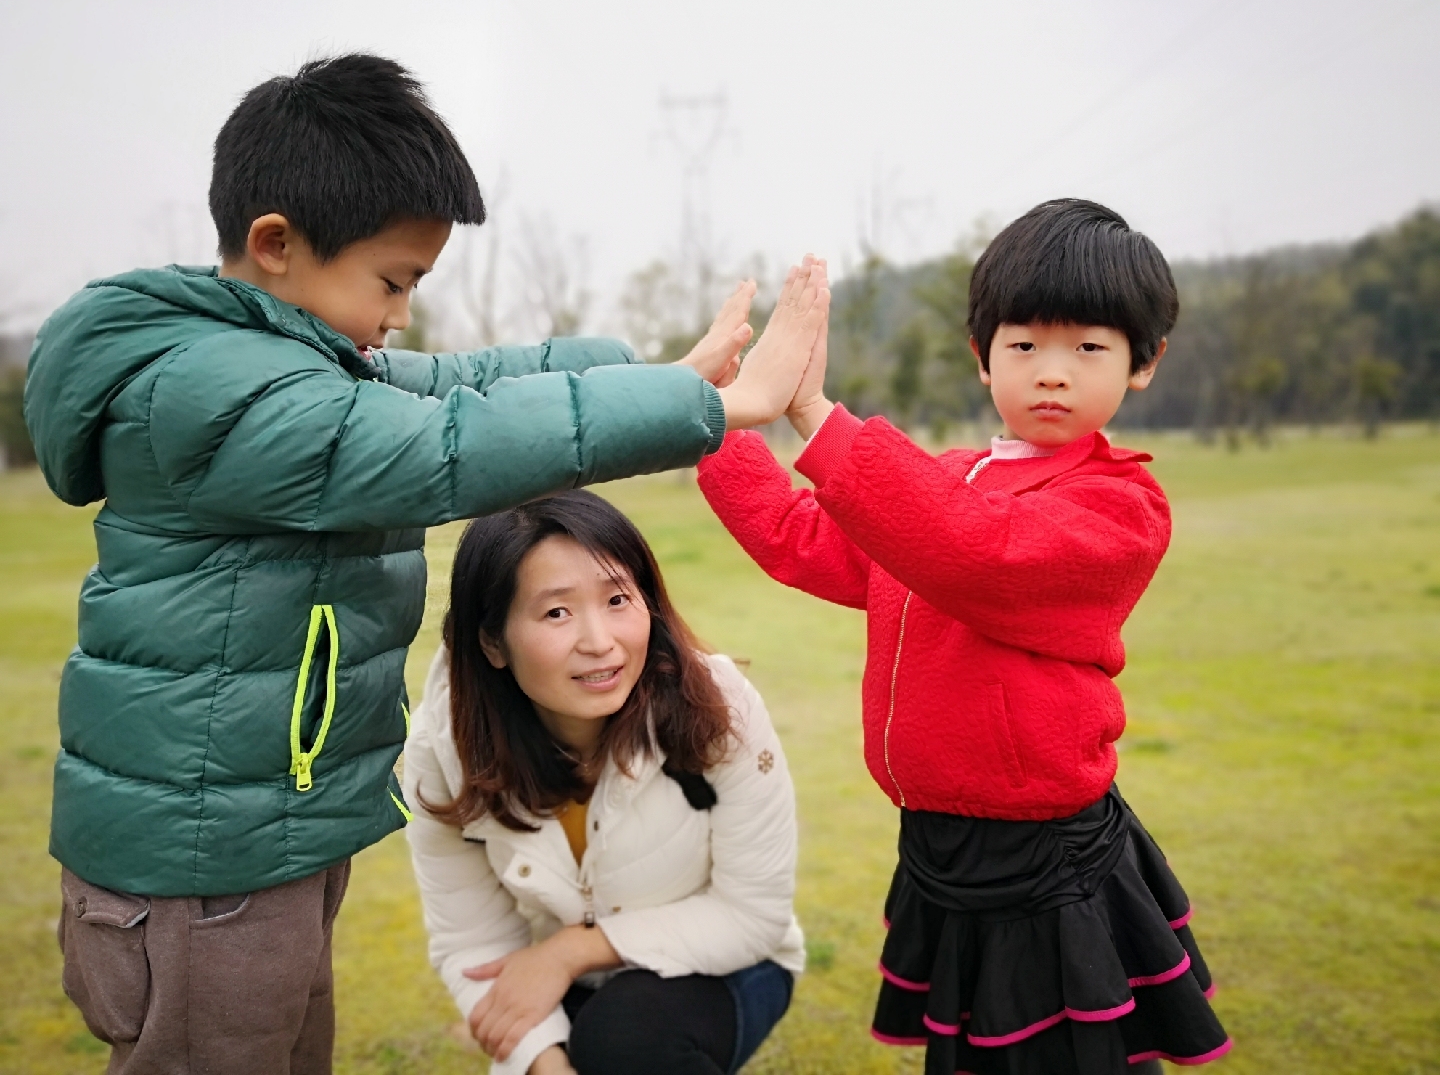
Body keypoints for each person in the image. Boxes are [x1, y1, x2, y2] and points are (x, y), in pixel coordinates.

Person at [25, 53, 826, 1074]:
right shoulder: (217, 391)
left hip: (258, 828)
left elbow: (466, 383)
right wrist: (718, 410)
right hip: (201, 855)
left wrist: (658, 375)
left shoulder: (287, 356)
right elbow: (442, 450)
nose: (400, 313)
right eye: (392, 281)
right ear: (276, 244)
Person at [696, 199, 1232, 1074]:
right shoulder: (944, 484)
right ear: (982, 357)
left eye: (1088, 348)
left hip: (1042, 855)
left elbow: (979, 555)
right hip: (938, 840)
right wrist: (718, 418)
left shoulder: (1120, 507)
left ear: (1143, 363)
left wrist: (818, 416)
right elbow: (808, 543)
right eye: (1023, 346)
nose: (1051, 373)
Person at [403, 490, 802, 1075]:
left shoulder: (717, 709)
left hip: (728, 962)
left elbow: (753, 916)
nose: (600, 641)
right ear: (492, 642)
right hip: (557, 980)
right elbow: (472, 942)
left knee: (627, 1038)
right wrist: (542, 1060)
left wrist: (571, 952)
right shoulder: (447, 750)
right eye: (556, 612)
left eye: (617, 598)